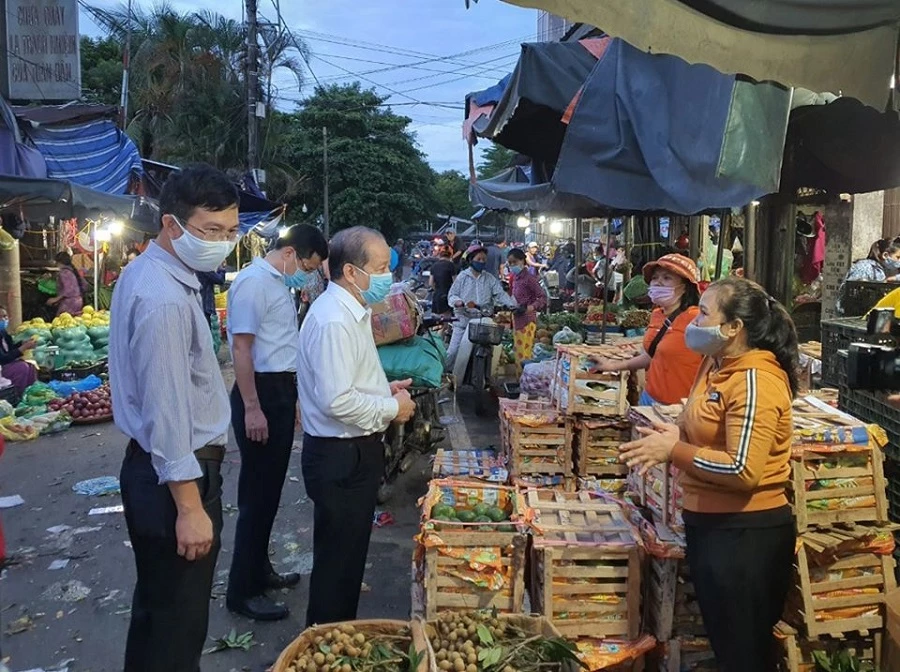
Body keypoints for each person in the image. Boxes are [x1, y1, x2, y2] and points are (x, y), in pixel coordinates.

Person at [620, 276, 799, 671]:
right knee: (728, 640)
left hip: (745, 534)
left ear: (734, 327)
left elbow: (742, 469)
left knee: (743, 651)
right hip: (711, 526)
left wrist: (675, 450)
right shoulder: (714, 364)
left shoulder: (755, 379)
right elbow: (705, 429)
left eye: (704, 313)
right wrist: (677, 433)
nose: (695, 322)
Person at [109, 164, 240, 671]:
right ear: (171, 224)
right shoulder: (163, 298)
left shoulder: (154, 274)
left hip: (162, 472)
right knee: (177, 626)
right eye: (210, 231)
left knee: (159, 613)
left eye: (231, 231)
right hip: (174, 480)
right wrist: (189, 507)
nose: (223, 243)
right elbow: (166, 411)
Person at [297, 226, 417, 627]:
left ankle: (335, 638)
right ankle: (324, 644)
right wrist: (390, 408)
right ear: (351, 271)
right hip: (340, 456)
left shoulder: (353, 310)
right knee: (337, 566)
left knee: (346, 563)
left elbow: (349, 382)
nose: (388, 277)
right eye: (381, 268)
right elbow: (338, 401)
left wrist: (385, 388)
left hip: (352, 452)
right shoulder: (334, 320)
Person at [226, 224, 328, 622]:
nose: (308, 272)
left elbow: (282, 345)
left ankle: (259, 571)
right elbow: (241, 347)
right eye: (309, 264)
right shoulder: (253, 283)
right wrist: (253, 407)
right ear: (290, 254)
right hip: (262, 393)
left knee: (268, 494)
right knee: (256, 496)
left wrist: (296, 396)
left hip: (280, 390)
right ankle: (242, 591)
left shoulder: (276, 283)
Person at [592, 254, 702, 406]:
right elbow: (651, 356)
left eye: (667, 278)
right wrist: (612, 365)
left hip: (679, 407)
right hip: (649, 398)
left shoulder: (697, 319)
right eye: (655, 278)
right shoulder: (657, 314)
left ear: (685, 286)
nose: (658, 282)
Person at [446, 244, 518, 377]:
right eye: (478, 259)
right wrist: (458, 302)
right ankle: (447, 377)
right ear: (470, 260)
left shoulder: (489, 278)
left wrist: (511, 305)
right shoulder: (462, 277)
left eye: (484, 260)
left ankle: (487, 378)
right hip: (463, 321)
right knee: (452, 352)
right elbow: (452, 295)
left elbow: (500, 294)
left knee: (493, 351)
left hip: (483, 322)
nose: (481, 262)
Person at [836, 238, 900, 315]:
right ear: (885, 255)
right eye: (898, 257)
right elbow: (853, 295)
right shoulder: (865, 268)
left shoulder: (881, 270)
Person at [507, 249, 547, 369]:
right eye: (510, 263)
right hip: (517, 318)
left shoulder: (529, 278)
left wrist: (530, 307)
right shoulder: (515, 277)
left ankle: (524, 381)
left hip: (527, 320)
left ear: (522, 261)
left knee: (524, 354)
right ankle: (521, 380)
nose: (512, 265)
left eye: (514, 262)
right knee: (519, 353)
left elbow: (542, 297)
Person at [0, 306, 37, 395]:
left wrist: (23, 344)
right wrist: (23, 348)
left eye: (5, 316)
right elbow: (3, 358)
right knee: (22, 367)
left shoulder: (3, 333)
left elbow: (10, 349)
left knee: (31, 366)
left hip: (6, 364)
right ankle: (16, 395)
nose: (3, 319)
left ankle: (30, 394)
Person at [47, 251, 85, 317]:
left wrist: (55, 299)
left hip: (70, 302)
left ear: (58, 262)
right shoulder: (71, 271)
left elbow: (68, 290)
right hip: (78, 300)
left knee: (62, 321)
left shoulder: (64, 273)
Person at [429, 245, 456, 315]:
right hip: (447, 295)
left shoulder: (434, 266)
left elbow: (430, 283)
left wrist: (436, 289)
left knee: (436, 320)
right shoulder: (451, 265)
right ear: (450, 255)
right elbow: (455, 283)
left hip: (436, 295)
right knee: (446, 320)